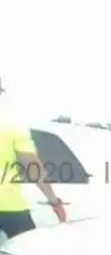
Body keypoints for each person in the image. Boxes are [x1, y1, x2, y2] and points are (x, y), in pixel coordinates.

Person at [0, 74, 68, 238]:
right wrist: (54, 202)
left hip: (10, 207)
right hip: (9, 207)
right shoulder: (11, 125)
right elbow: (34, 168)